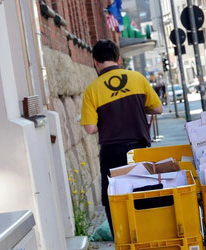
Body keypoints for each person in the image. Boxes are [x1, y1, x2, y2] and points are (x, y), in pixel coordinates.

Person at [80, 39, 163, 238]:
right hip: (139, 148)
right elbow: (158, 108)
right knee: (145, 192)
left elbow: (90, 128)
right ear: (118, 58)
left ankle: (124, 240)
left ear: (95, 62)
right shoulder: (137, 78)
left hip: (112, 153)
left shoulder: (92, 90)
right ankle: (149, 237)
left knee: (114, 199)